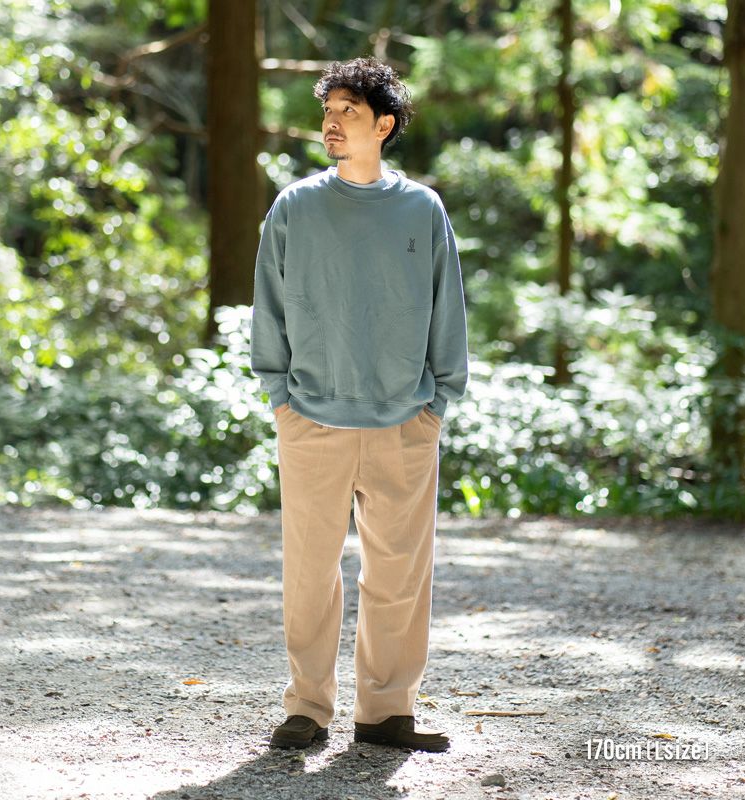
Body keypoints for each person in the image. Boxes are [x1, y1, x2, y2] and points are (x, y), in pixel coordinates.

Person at [249, 55, 468, 752]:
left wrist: (437, 402)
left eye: (349, 111)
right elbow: (268, 305)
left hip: (405, 421)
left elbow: (448, 307)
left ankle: (386, 711)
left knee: (400, 576)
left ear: (385, 125)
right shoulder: (295, 206)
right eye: (328, 111)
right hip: (312, 419)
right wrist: (280, 398)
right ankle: (307, 707)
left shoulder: (422, 209)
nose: (332, 123)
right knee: (309, 575)